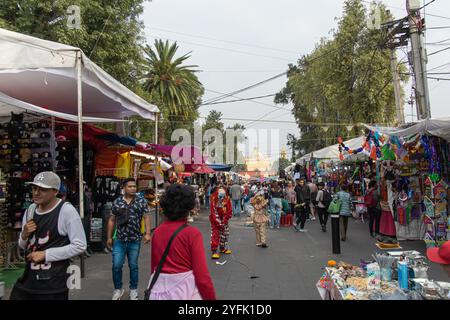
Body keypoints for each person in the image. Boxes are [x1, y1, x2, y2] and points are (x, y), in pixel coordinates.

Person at [10, 172, 87, 300]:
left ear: (55, 191)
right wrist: (24, 234)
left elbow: (80, 245)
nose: (36, 193)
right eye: (34, 188)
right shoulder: (30, 210)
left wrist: (46, 254)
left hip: (53, 283)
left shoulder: (66, 211)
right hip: (28, 280)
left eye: (43, 190)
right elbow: (23, 245)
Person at [147, 184, 216, 300]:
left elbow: (154, 266)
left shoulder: (158, 231)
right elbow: (202, 276)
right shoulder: (192, 234)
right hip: (184, 290)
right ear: (189, 207)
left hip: (158, 290)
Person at [107, 178, 152, 300]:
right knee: (116, 265)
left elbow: (146, 217)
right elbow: (111, 220)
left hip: (135, 239)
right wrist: (109, 237)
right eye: (130, 186)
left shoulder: (141, 201)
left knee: (133, 265)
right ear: (124, 188)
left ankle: (133, 290)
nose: (133, 188)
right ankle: (118, 289)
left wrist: (147, 233)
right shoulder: (117, 202)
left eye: (134, 186)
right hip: (119, 239)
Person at [209, 185, 232, 259]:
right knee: (215, 234)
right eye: (220, 196)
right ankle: (214, 250)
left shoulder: (227, 199)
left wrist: (225, 220)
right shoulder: (213, 199)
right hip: (215, 221)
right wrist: (218, 222)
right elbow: (214, 213)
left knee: (225, 234)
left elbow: (229, 211)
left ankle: (222, 248)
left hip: (224, 220)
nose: (222, 198)